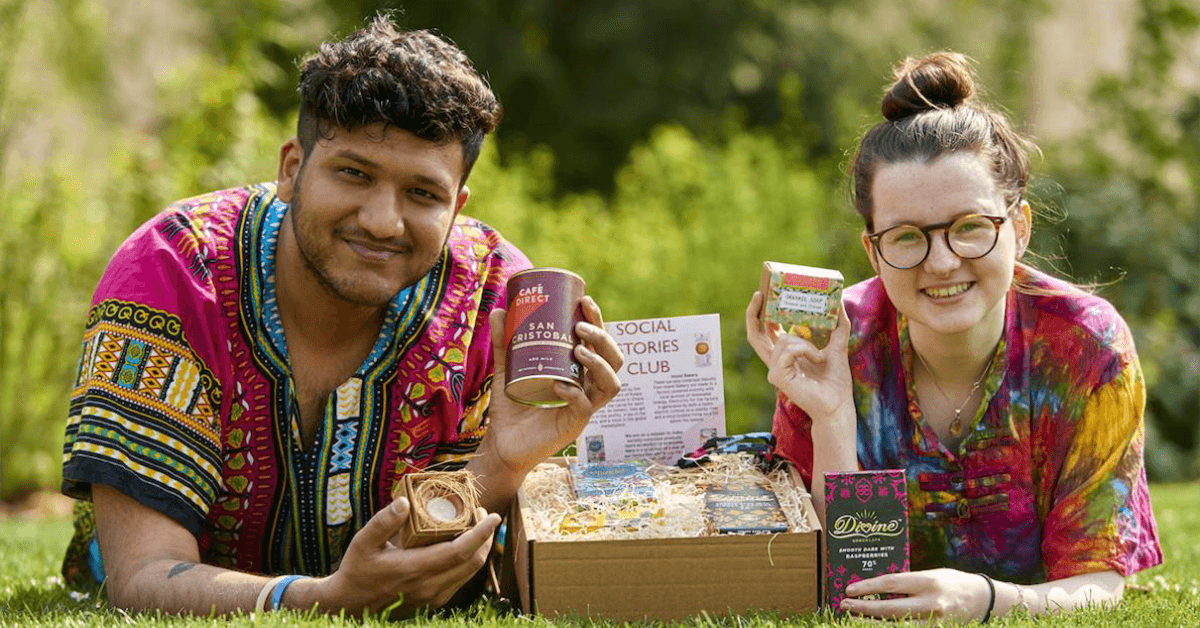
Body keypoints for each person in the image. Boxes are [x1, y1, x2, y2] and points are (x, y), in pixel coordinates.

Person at [58, 15, 623, 617]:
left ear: (457, 206)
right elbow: (142, 576)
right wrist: (324, 599)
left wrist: (502, 466)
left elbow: (418, 575)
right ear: (291, 168)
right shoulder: (174, 268)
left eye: (422, 194)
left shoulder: (494, 299)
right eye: (354, 173)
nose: (383, 220)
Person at [746, 52, 1161, 622]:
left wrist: (987, 601)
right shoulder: (833, 341)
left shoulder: (1086, 347)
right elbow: (829, 582)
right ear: (873, 250)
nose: (941, 263)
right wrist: (833, 414)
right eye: (908, 237)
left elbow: (1097, 585)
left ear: (1018, 228)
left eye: (970, 227)